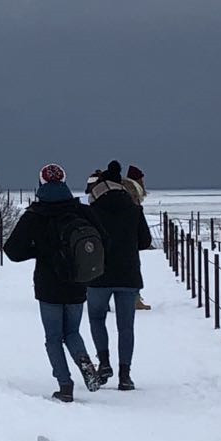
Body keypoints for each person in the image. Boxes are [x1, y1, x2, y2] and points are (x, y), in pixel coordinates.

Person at [4, 163, 105, 402]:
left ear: (41, 184)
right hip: (78, 282)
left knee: (53, 337)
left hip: (48, 285)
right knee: (72, 332)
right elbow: (103, 240)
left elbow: (12, 251)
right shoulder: (81, 211)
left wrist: (38, 250)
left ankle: (65, 385)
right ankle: (85, 364)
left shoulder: (35, 215)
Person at [85, 161, 154, 390]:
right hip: (128, 274)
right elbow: (145, 241)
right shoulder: (134, 209)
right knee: (126, 327)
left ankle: (104, 363)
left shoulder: (92, 211)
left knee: (96, 318)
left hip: (98, 275)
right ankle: (125, 375)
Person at [123, 165, 150, 312]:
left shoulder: (124, 188)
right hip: (130, 235)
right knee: (133, 267)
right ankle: (135, 298)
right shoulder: (132, 191)